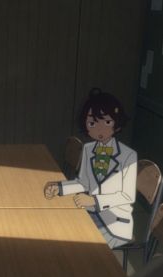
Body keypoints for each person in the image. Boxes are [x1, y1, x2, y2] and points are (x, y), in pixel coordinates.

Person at [43, 88, 138, 248]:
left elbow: (127, 196)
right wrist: (59, 188)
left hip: (114, 223)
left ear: (117, 124)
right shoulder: (88, 149)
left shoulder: (128, 155)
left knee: (75, 244)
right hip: (90, 213)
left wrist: (94, 201)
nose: (99, 129)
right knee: (56, 230)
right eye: (92, 123)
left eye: (107, 122)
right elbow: (83, 182)